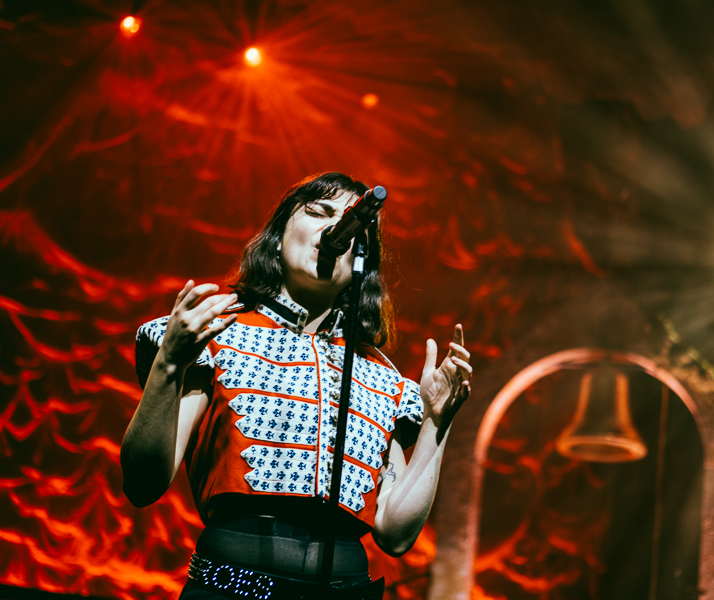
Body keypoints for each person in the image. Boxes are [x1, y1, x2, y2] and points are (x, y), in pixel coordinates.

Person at [121, 172, 472, 599]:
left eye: (351, 225)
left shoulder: (382, 378)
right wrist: (170, 363)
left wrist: (437, 422)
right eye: (319, 212)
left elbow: (395, 535)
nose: (335, 228)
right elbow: (142, 484)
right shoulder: (218, 337)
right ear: (279, 236)